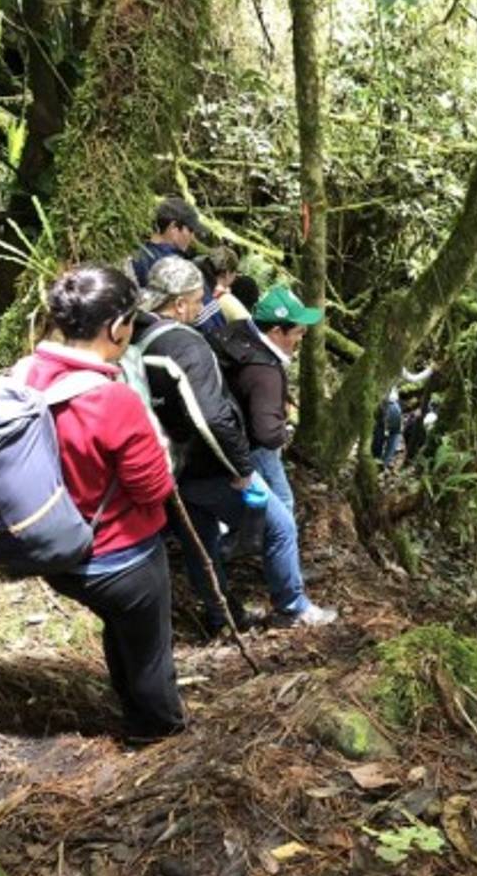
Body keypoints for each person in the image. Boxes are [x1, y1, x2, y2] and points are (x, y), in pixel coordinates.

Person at [22, 265, 185, 743]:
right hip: (121, 556)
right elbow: (152, 489)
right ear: (117, 327)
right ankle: (159, 733)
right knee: (149, 649)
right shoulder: (112, 400)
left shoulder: (26, 375)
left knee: (121, 631)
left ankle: (133, 709)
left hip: (55, 550)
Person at [133, 257, 336, 632]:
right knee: (279, 526)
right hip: (209, 464)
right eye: (197, 300)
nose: (201, 308)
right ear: (178, 304)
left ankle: (222, 615)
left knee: (202, 540)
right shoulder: (185, 345)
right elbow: (212, 416)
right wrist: (241, 468)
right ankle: (292, 607)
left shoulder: (139, 337)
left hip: (171, 465)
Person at [209, 284, 322, 517]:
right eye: (299, 332)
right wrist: (284, 430)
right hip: (254, 448)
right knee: (283, 504)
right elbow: (267, 434)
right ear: (277, 332)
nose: (302, 337)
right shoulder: (265, 372)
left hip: (227, 437)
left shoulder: (236, 333)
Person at [130, 196, 226, 334]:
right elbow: (210, 321)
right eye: (190, 230)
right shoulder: (181, 267)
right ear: (174, 228)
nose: (192, 237)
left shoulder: (135, 257)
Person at [371, 365, 434, 468]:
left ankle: (375, 458)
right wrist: (430, 370)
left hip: (379, 403)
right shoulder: (397, 365)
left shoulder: (376, 364)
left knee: (379, 430)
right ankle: (385, 461)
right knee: (395, 433)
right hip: (392, 405)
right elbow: (413, 378)